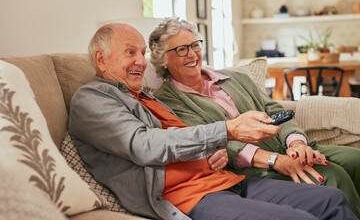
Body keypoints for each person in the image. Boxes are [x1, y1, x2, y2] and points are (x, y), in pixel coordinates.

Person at [68, 22, 358, 220]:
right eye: (130, 52)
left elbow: (188, 137)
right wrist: (227, 132)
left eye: (142, 53)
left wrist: (212, 150)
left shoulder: (145, 97)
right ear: (101, 60)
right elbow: (144, 145)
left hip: (227, 179)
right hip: (191, 196)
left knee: (332, 201)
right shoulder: (92, 99)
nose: (140, 62)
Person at [150, 17, 360, 217]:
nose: (192, 54)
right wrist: (275, 161)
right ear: (163, 60)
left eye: (195, 45)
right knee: (333, 176)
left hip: (286, 146)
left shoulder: (235, 78)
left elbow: (275, 110)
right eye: (181, 49)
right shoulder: (168, 101)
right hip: (254, 168)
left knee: (355, 159)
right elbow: (212, 144)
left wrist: (296, 143)